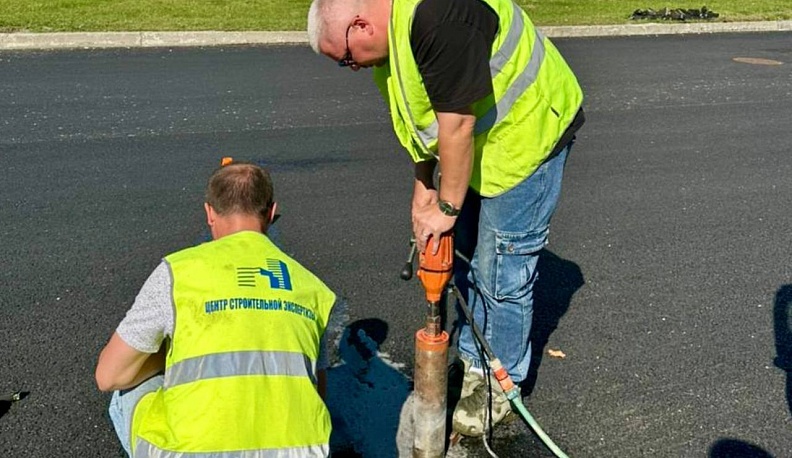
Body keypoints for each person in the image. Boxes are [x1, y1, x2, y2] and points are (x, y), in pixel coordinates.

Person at [307, 0, 585, 438]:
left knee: (503, 269)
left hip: (528, 133)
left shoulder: (438, 17)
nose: (351, 69)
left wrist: (447, 209)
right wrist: (425, 185)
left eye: (345, 58)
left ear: (360, 24)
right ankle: (476, 360)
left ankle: (498, 386)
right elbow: (415, 118)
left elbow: (455, 126)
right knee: (471, 255)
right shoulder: (390, 39)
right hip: (482, 145)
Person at [95, 161, 336, 457]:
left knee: (126, 388)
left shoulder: (178, 272)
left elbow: (108, 376)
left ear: (209, 213)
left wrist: (168, 358)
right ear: (272, 212)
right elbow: (317, 391)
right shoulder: (312, 288)